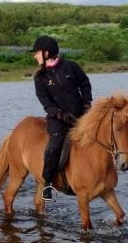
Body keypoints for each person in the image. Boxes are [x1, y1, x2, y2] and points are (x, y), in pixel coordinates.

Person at [31, 35, 92, 201]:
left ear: (46, 53)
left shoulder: (70, 66)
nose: (34, 56)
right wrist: (59, 114)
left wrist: (87, 104)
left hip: (80, 116)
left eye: (36, 52)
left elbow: (85, 84)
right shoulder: (40, 77)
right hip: (57, 120)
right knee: (54, 146)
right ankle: (48, 183)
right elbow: (46, 102)